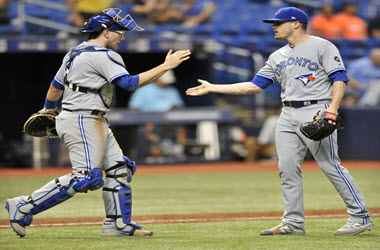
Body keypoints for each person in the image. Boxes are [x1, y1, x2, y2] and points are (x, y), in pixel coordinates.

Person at [186, 7, 373, 236]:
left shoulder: (322, 45)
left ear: (296, 24)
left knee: (329, 164)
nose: (274, 26)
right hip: (287, 113)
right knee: (286, 169)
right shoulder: (277, 56)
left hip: (317, 108)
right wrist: (213, 87)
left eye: (278, 22)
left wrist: (332, 110)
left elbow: (339, 78)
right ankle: (293, 223)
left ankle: (360, 216)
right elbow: (254, 86)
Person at [5, 8, 190, 237]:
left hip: (88, 118)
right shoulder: (104, 55)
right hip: (83, 118)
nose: (122, 36)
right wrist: (166, 66)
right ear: (105, 32)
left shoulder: (73, 52)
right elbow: (129, 84)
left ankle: (117, 225)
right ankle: (23, 205)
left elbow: (55, 87)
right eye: (119, 31)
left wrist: (48, 109)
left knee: (119, 169)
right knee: (85, 177)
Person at [128, 70, 187, 161]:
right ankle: (154, 154)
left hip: (170, 121)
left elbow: (179, 107)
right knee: (151, 126)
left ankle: (178, 150)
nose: (166, 83)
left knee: (181, 125)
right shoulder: (144, 89)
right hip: (150, 121)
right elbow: (133, 108)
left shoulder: (172, 90)